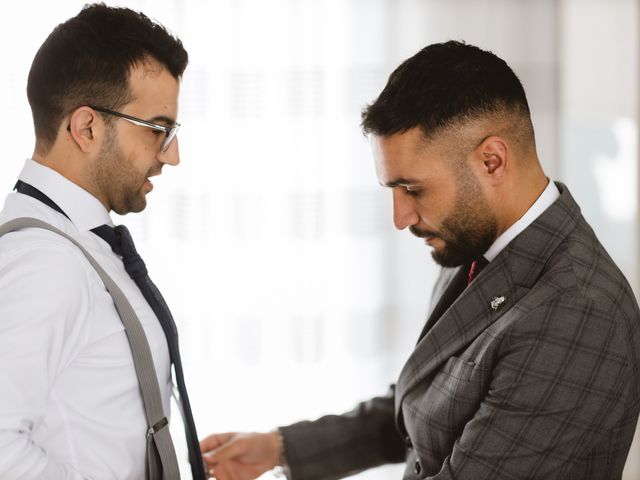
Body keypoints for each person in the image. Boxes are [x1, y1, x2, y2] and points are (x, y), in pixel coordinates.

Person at [199, 41, 640, 479]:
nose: (401, 217)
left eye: (413, 189)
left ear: (492, 161)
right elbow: (425, 403)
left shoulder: (576, 310)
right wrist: (280, 448)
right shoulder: (471, 243)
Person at [0, 4, 205, 479]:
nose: (171, 155)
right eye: (159, 129)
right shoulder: (45, 261)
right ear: (87, 127)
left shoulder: (73, 244)